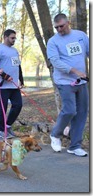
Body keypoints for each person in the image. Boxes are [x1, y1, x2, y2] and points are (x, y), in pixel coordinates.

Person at [46, 13, 89, 157]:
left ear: (68, 23)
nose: (59, 29)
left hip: (81, 81)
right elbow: (55, 62)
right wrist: (75, 71)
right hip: (64, 81)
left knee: (82, 113)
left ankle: (75, 145)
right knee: (70, 110)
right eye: (56, 27)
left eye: (61, 26)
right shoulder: (53, 41)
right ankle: (55, 134)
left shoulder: (81, 35)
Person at [0, 29, 24, 139]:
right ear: (5, 37)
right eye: (12, 38)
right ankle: (2, 130)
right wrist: (5, 76)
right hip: (3, 85)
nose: (14, 40)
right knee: (3, 108)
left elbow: (18, 66)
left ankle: (8, 126)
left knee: (18, 105)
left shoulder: (15, 50)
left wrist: (21, 79)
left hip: (14, 85)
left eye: (15, 38)